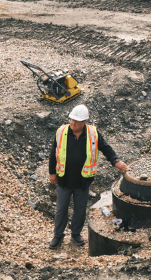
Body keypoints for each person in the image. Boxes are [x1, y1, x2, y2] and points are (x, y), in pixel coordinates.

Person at [48, 104, 128, 249]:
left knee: (80, 209)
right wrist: (52, 173)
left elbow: (105, 148)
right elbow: (53, 153)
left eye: (76, 121)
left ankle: (76, 234)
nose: (72, 123)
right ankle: (58, 236)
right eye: (71, 120)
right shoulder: (61, 132)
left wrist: (116, 161)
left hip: (82, 181)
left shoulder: (93, 133)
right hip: (64, 180)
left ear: (84, 122)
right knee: (61, 209)